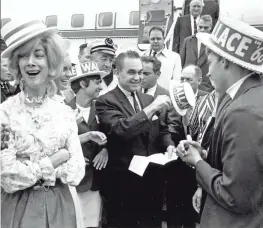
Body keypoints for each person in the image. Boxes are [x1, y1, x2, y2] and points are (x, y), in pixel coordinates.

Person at [176, 16, 263, 228]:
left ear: (224, 61)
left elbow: (235, 195)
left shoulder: (243, 111)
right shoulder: (250, 97)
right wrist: (207, 155)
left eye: (211, 62)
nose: (208, 71)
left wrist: (198, 162)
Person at [0, 19, 85, 228]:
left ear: (51, 62)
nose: (30, 62)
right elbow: (8, 178)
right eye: (23, 56)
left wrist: (29, 165)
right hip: (19, 210)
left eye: (38, 55)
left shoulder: (64, 113)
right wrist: (54, 160)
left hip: (61, 208)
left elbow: (76, 172)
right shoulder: (5, 113)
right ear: (16, 65)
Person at [96, 50, 176, 228]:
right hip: (123, 187)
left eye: (140, 72)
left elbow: (162, 130)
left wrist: (169, 144)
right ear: (117, 73)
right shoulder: (105, 101)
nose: (137, 77)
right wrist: (151, 109)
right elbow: (121, 130)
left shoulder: (147, 99)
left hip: (151, 182)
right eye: (131, 72)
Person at [69, 62, 109, 228]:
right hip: (72, 181)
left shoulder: (102, 107)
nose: (101, 86)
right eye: (96, 82)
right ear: (83, 84)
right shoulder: (62, 109)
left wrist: (106, 149)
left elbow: (113, 133)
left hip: (96, 180)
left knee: (92, 223)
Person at [180, 15, 214, 92]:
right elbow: (181, 63)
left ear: (211, 27)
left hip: (206, 87)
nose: (202, 30)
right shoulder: (187, 41)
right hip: (187, 86)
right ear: (197, 26)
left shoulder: (214, 44)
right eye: (200, 27)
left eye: (206, 28)